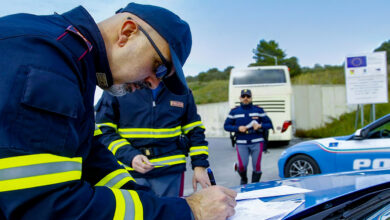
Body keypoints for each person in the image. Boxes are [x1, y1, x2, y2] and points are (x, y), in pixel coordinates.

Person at [0, 2, 236, 219]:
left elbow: (91, 156)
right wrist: (188, 210)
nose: (152, 81)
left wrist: (142, 196)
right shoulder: (45, 56)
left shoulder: (72, 60)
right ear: (127, 32)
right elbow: (47, 206)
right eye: (158, 67)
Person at [95, 80, 210, 197]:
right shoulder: (117, 89)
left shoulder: (182, 91)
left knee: (171, 214)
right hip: (128, 173)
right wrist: (130, 156)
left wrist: (199, 166)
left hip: (171, 173)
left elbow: (195, 130)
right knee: (134, 214)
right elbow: (103, 131)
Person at [224, 89, 272, 185]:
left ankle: (254, 186)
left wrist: (260, 126)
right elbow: (226, 126)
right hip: (241, 143)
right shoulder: (234, 111)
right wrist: (237, 128)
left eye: (248, 96)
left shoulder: (258, 110)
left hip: (257, 142)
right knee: (242, 166)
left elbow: (269, 124)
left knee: (257, 167)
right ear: (240, 98)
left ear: (251, 98)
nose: (246, 98)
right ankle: (244, 178)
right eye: (243, 96)